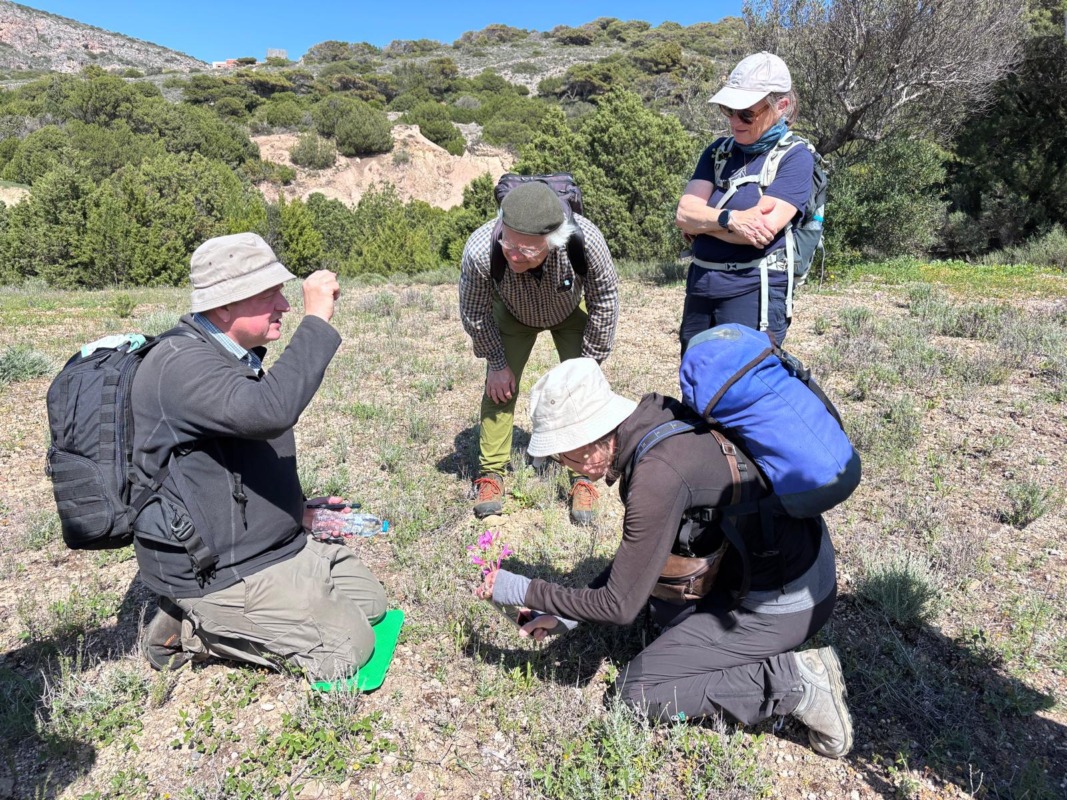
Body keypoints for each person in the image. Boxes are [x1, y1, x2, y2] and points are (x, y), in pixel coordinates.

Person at [476, 358, 853, 759]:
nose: (564, 467)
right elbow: (641, 564)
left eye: (561, 457)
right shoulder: (657, 417)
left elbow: (620, 606)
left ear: (586, 450)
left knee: (637, 693)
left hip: (787, 601)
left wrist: (519, 587)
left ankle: (798, 685)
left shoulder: (656, 477)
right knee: (664, 616)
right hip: (798, 558)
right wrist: (567, 615)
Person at [134, 232, 387, 680]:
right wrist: (318, 323)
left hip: (273, 545)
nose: (285, 306)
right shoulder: (179, 364)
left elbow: (233, 460)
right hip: (222, 570)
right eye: (269, 294)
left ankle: (256, 608)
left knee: (371, 604)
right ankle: (191, 627)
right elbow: (270, 413)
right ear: (225, 305)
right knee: (349, 648)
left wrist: (296, 511)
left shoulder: (228, 353)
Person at [459, 180, 620, 525]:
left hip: (566, 313)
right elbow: (474, 313)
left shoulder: (584, 241)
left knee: (583, 395)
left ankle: (583, 479)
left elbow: (605, 300)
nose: (514, 255)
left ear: (553, 240)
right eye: (509, 245)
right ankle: (491, 474)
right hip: (513, 314)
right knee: (499, 388)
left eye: (527, 251)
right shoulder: (480, 249)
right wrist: (497, 363)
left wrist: (589, 365)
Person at [675, 51, 814, 351]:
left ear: (782, 106)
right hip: (701, 285)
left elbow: (760, 231)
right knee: (695, 379)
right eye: (729, 110)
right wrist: (731, 219)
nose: (734, 121)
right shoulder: (717, 152)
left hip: (754, 290)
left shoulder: (795, 158)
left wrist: (703, 222)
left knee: (742, 385)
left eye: (746, 113)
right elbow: (685, 213)